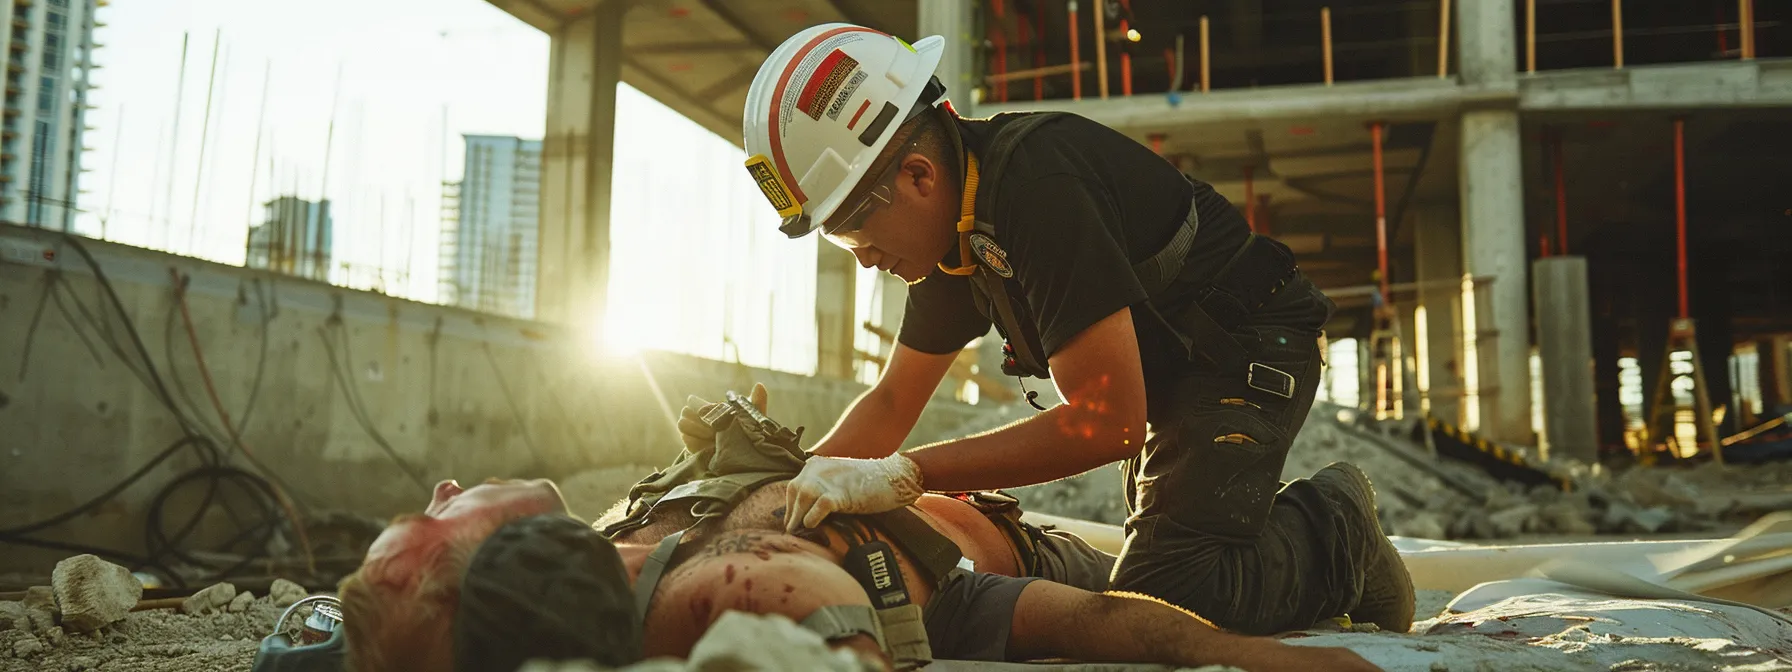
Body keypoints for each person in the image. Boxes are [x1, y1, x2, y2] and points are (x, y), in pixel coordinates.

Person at [740, 23, 1414, 635]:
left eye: (853, 229)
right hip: (1175, 375)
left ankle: (1337, 526)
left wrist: (909, 473)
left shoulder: (1040, 189)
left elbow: (1107, 421)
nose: (862, 258)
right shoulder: (959, 235)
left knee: (1175, 597)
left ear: (917, 175)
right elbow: (891, 402)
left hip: (1245, 350)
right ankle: (1268, 539)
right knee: (1161, 572)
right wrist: (774, 484)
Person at [339, 476, 1379, 671]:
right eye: (432, 515)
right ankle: (1335, 522)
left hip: (930, 508)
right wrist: (1286, 663)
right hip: (1007, 558)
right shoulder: (743, 594)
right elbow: (1094, 617)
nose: (442, 485)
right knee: (1196, 582)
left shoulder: (601, 544)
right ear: (508, 572)